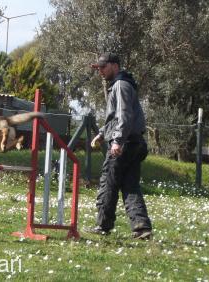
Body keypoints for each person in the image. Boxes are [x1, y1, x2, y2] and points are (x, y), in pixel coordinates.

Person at [86, 52, 153, 240]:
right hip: (135, 142)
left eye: (103, 66)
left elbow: (124, 116)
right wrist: (101, 133)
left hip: (125, 143)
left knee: (108, 182)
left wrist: (117, 141)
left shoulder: (121, 85)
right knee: (130, 185)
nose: (100, 70)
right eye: (98, 67)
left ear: (115, 66)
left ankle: (103, 225)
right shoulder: (122, 84)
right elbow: (115, 117)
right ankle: (142, 227)